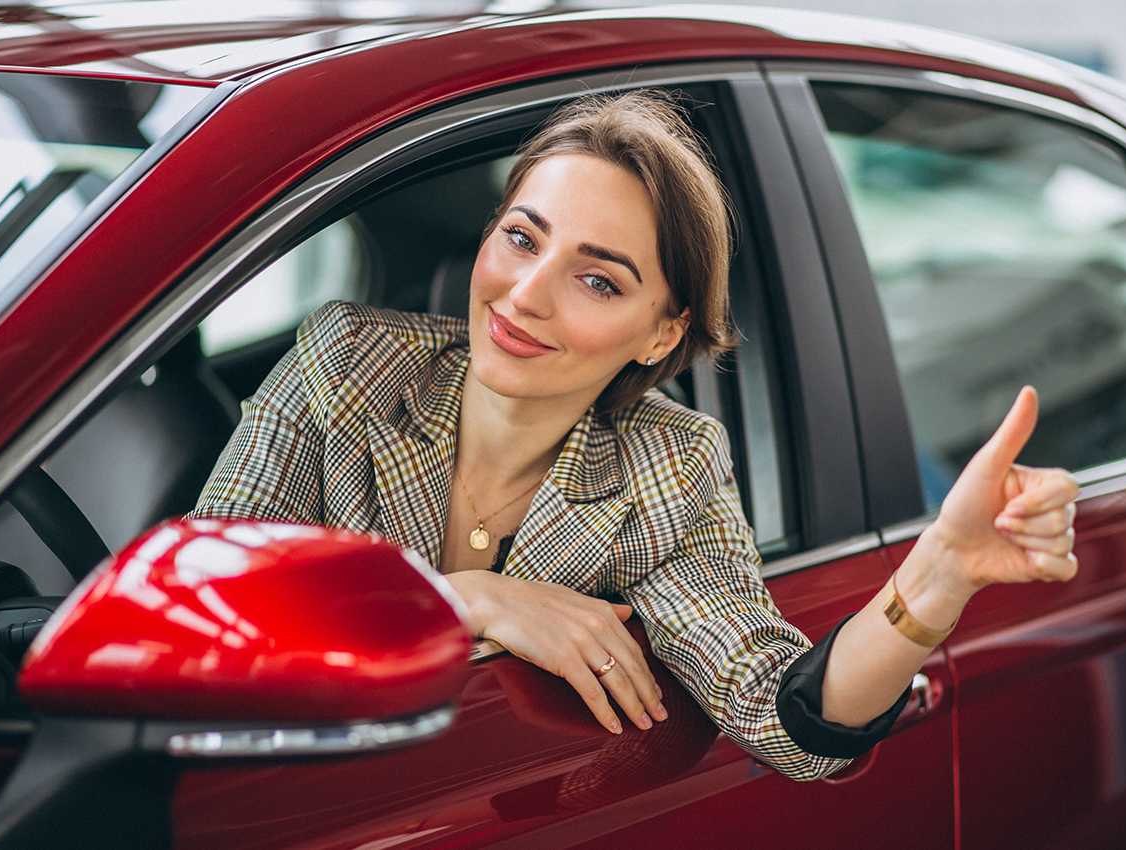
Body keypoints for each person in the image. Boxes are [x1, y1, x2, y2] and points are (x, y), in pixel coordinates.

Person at [190, 89, 1078, 780]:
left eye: (600, 281)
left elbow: (787, 720)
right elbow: (204, 601)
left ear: (662, 333)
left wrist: (938, 575)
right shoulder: (349, 362)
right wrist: (466, 598)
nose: (526, 293)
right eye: (521, 237)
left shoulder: (668, 468)